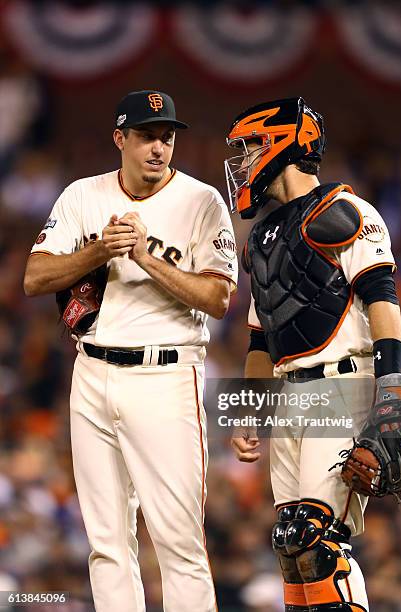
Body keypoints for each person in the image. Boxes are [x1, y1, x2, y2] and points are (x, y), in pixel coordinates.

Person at [24, 89, 238, 612]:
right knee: (106, 542)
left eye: (167, 136)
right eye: (146, 136)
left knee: (178, 540)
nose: (159, 147)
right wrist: (100, 248)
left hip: (165, 375)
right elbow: (34, 277)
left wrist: (143, 256)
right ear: (121, 138)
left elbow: (219, 297)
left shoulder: (201, 200)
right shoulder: (82, 196)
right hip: (92, 371)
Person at [225, 97, 401, 611]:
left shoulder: (345, 210)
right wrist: (249, 411)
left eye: (250, 146)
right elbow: (261, 341)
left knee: (317, 536)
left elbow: (383, 301)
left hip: (342, 384)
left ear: (282, 143)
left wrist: (392, 386)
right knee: (291, 545)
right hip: (288, 396)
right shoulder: (261, 238)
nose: (242, 161)